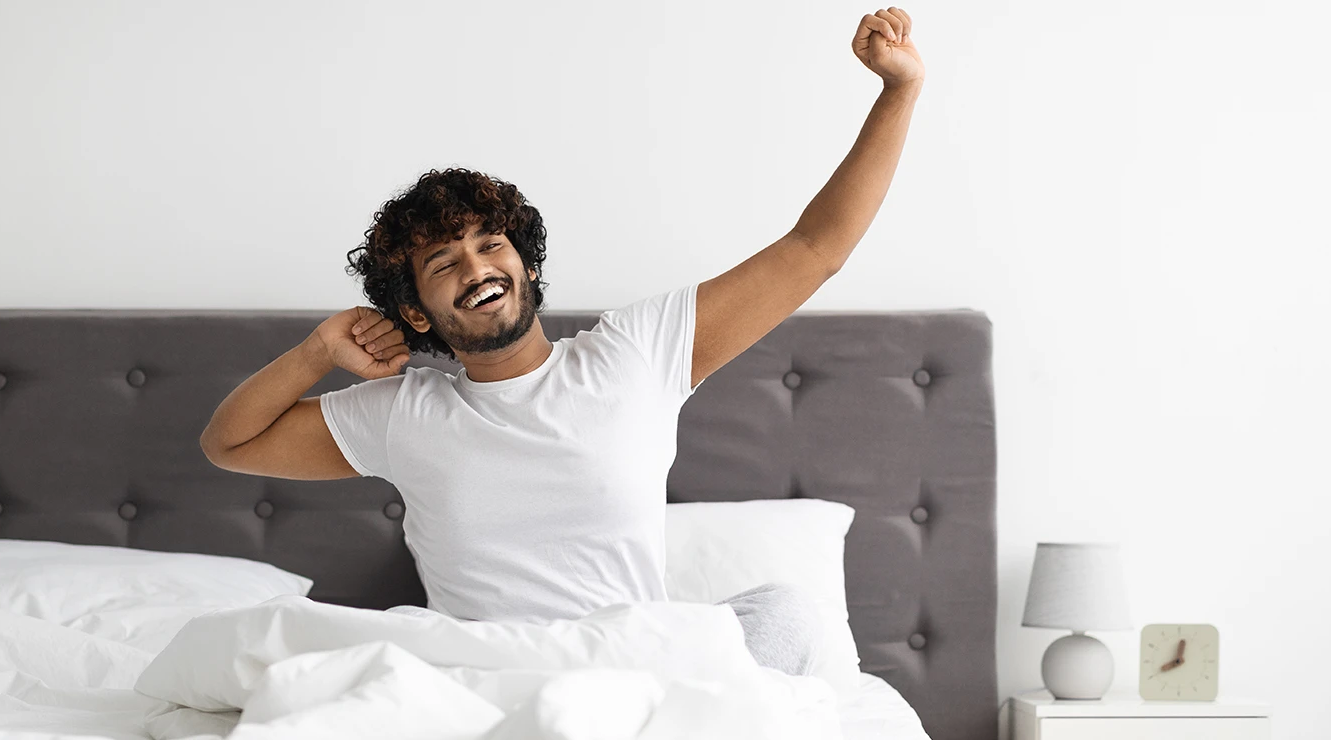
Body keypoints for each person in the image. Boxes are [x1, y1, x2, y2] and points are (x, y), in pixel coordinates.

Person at [199, 7, 923, 677]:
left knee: (789, 615)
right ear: (416, 313)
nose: (477, 268)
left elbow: (816, 248)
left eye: (491, 246)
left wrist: (900, 91)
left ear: (528, 264)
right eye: (444, 264)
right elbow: (228, 444)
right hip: (498, 680)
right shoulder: (401, 413)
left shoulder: (636, 353)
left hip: (636, 669)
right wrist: (318, 352)